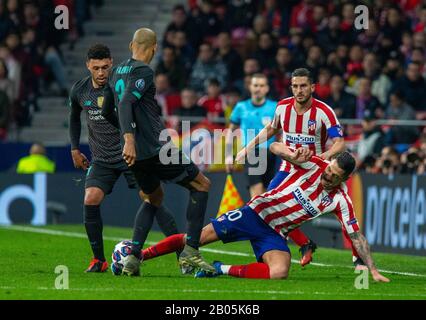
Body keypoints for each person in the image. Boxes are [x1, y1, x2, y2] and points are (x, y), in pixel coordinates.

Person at [140, 148, 390, 282]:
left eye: (335, 176)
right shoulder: (314, 164)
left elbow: (356, 236)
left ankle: (218, 269)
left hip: (275, 232)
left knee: (279, 272)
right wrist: (291, 155)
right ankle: (138, 255)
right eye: (329, 170)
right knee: (195, 239)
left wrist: (373, 270)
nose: (328, 176)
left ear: (345, 179)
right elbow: (274, 146)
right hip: (255, 212)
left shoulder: (341, 200)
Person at [102, 28, 215, 276]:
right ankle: (191, 253)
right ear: (154, 48)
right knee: (201, 184)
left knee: (153, 198)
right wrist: (131, 138)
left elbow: (106, 111)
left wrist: (126, 139)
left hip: (134, 155)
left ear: (132, 44)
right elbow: (126, 103)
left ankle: (132, 259)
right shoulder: (144, 70)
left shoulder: (115, 71)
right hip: (154, 147)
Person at [68, 44, 179, 273]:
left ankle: (182, 253)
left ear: (111, 63)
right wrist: (74, 149)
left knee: (153, 199)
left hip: (131, 154)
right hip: (102, 159)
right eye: (96, 68)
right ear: (88, 65)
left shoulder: (119, 85)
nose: (101, 73)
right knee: (90, 198)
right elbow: (74, 118)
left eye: (105, 67)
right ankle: (98, 260)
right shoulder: (79, 90)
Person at [233, 68, 354, 268]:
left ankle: (357, 258)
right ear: (291, 87)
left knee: (339, 210)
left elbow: (340, 143)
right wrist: (247, 149)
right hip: (287, 167)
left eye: (303, 86)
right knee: (266, 205)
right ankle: (304, 244)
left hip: (312, 171)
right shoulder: (282, 107)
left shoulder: (324, 112)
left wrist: (322, 158)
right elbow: (271, 129)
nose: (299, 90)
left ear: (312, 87)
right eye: (295, 86)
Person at [225, 73, 277, 199]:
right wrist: (228, 155)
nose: (258, 88)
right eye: (255, 85)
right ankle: (255, 217)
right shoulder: (241, 107)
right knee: (257, 191)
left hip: (271, 154)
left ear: (267, 88)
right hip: (251, 152)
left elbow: (282, 131)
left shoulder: (275, 106)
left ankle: (259, 218)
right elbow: (230, 131)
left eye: (261, 85)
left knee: (266, 193)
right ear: (250, 87)